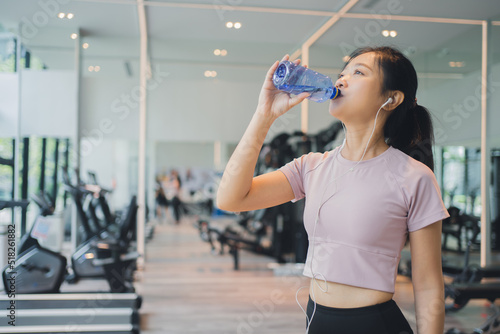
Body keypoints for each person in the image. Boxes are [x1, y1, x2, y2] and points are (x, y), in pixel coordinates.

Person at [217, 46, 450, 334]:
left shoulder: (414, 177)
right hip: (317, 320)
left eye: (358, 73)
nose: (340, 81)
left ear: (391, 99)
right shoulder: (311, 166)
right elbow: (231, 199)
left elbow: (428, 285)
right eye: (341, 73)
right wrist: (264, 115)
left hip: (375, 325)